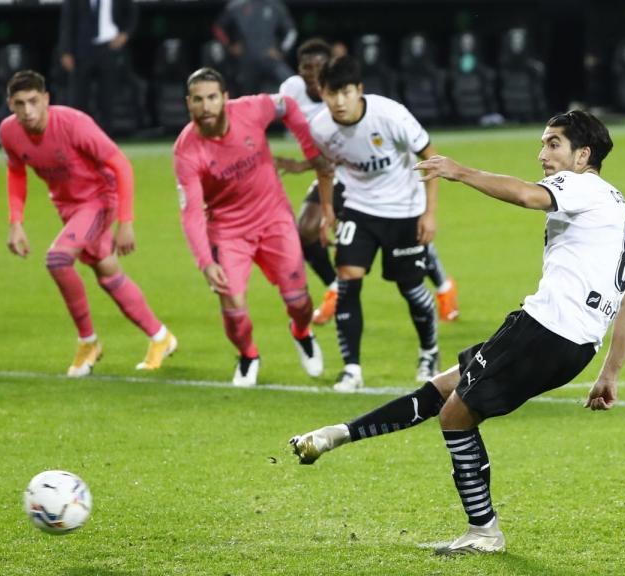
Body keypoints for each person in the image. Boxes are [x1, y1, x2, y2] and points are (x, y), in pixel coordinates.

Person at [290, 110, 625, 555]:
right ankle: (335, 435)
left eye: (553, 144)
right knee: (443, 390)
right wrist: (608, 374)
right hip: (575, 345)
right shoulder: (618, 208)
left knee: (455, 416)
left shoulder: (580, 185)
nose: (542, 154)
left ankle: (484, 531)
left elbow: (525, 196)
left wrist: (459, 171)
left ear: (583, 154)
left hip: (546, 328)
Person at [0, 70, 176, 377]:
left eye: (33, 101)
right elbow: (16, 172)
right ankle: (161, 336)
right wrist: (16, 222)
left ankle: (88, 342)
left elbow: (121, 164)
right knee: (107, 273)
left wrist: (126, 222)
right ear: (9, 105)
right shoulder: (9, 132)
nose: (27, 111)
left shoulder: (73, 124)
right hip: (68, 207)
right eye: (19, 104)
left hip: (99, 199)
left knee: (57, 259)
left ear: (46, 100)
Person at [275, 39, 460, 326]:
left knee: (409, 234)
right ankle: (336, 289)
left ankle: (443, 287)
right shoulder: (291, 92)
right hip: (343, 174)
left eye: (318, 67)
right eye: (305, 67)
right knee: (307, 230)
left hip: (379, 176)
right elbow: (324, 156)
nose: (312, 73)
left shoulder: (362, 104)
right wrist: (301, 167)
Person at [173, 67, 332, 387]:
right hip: (228, 231)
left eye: (212, 98)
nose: (206, 107)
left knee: (299, 302)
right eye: (198, 100)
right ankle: (248, 356)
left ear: (225, 98)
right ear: (189, 103)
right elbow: (191, 214)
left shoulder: (251, 109)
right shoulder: (186, 151)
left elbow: (287, 104)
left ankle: (301, 332)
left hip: (274, 220)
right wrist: (205, 263)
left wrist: (311, 152)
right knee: (231, 304)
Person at [305, 55, 443, 391]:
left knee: (411, 289)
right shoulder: (320, 127)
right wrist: (327, 209)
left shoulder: (391, 115)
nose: (339, 101)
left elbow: (432, 159)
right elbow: (324, 168)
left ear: (359, 90)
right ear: (321, 92)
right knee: (348, 279)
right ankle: (352, 368)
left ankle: (429, 351)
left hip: (404, 209)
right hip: (360, 208)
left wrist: (429, 213)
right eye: (331, 92)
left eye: (346, 92)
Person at [58, 0, 139, 131]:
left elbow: (132, 12)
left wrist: (125, 34)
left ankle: (105, 140)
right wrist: (65, 51)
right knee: (78, 99)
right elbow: (67, 23)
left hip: (109, 48)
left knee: (107, 99)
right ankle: (78, 137)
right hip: (81, 50)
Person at [212, 0, 296, 95]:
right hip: (245, 60)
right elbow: (218, 28)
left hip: (270, 59)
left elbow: (291, 31)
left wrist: (281, 50)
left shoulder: (275, 5)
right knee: (245, 95)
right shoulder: (236, 5)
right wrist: (229, 46)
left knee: (293, 83)